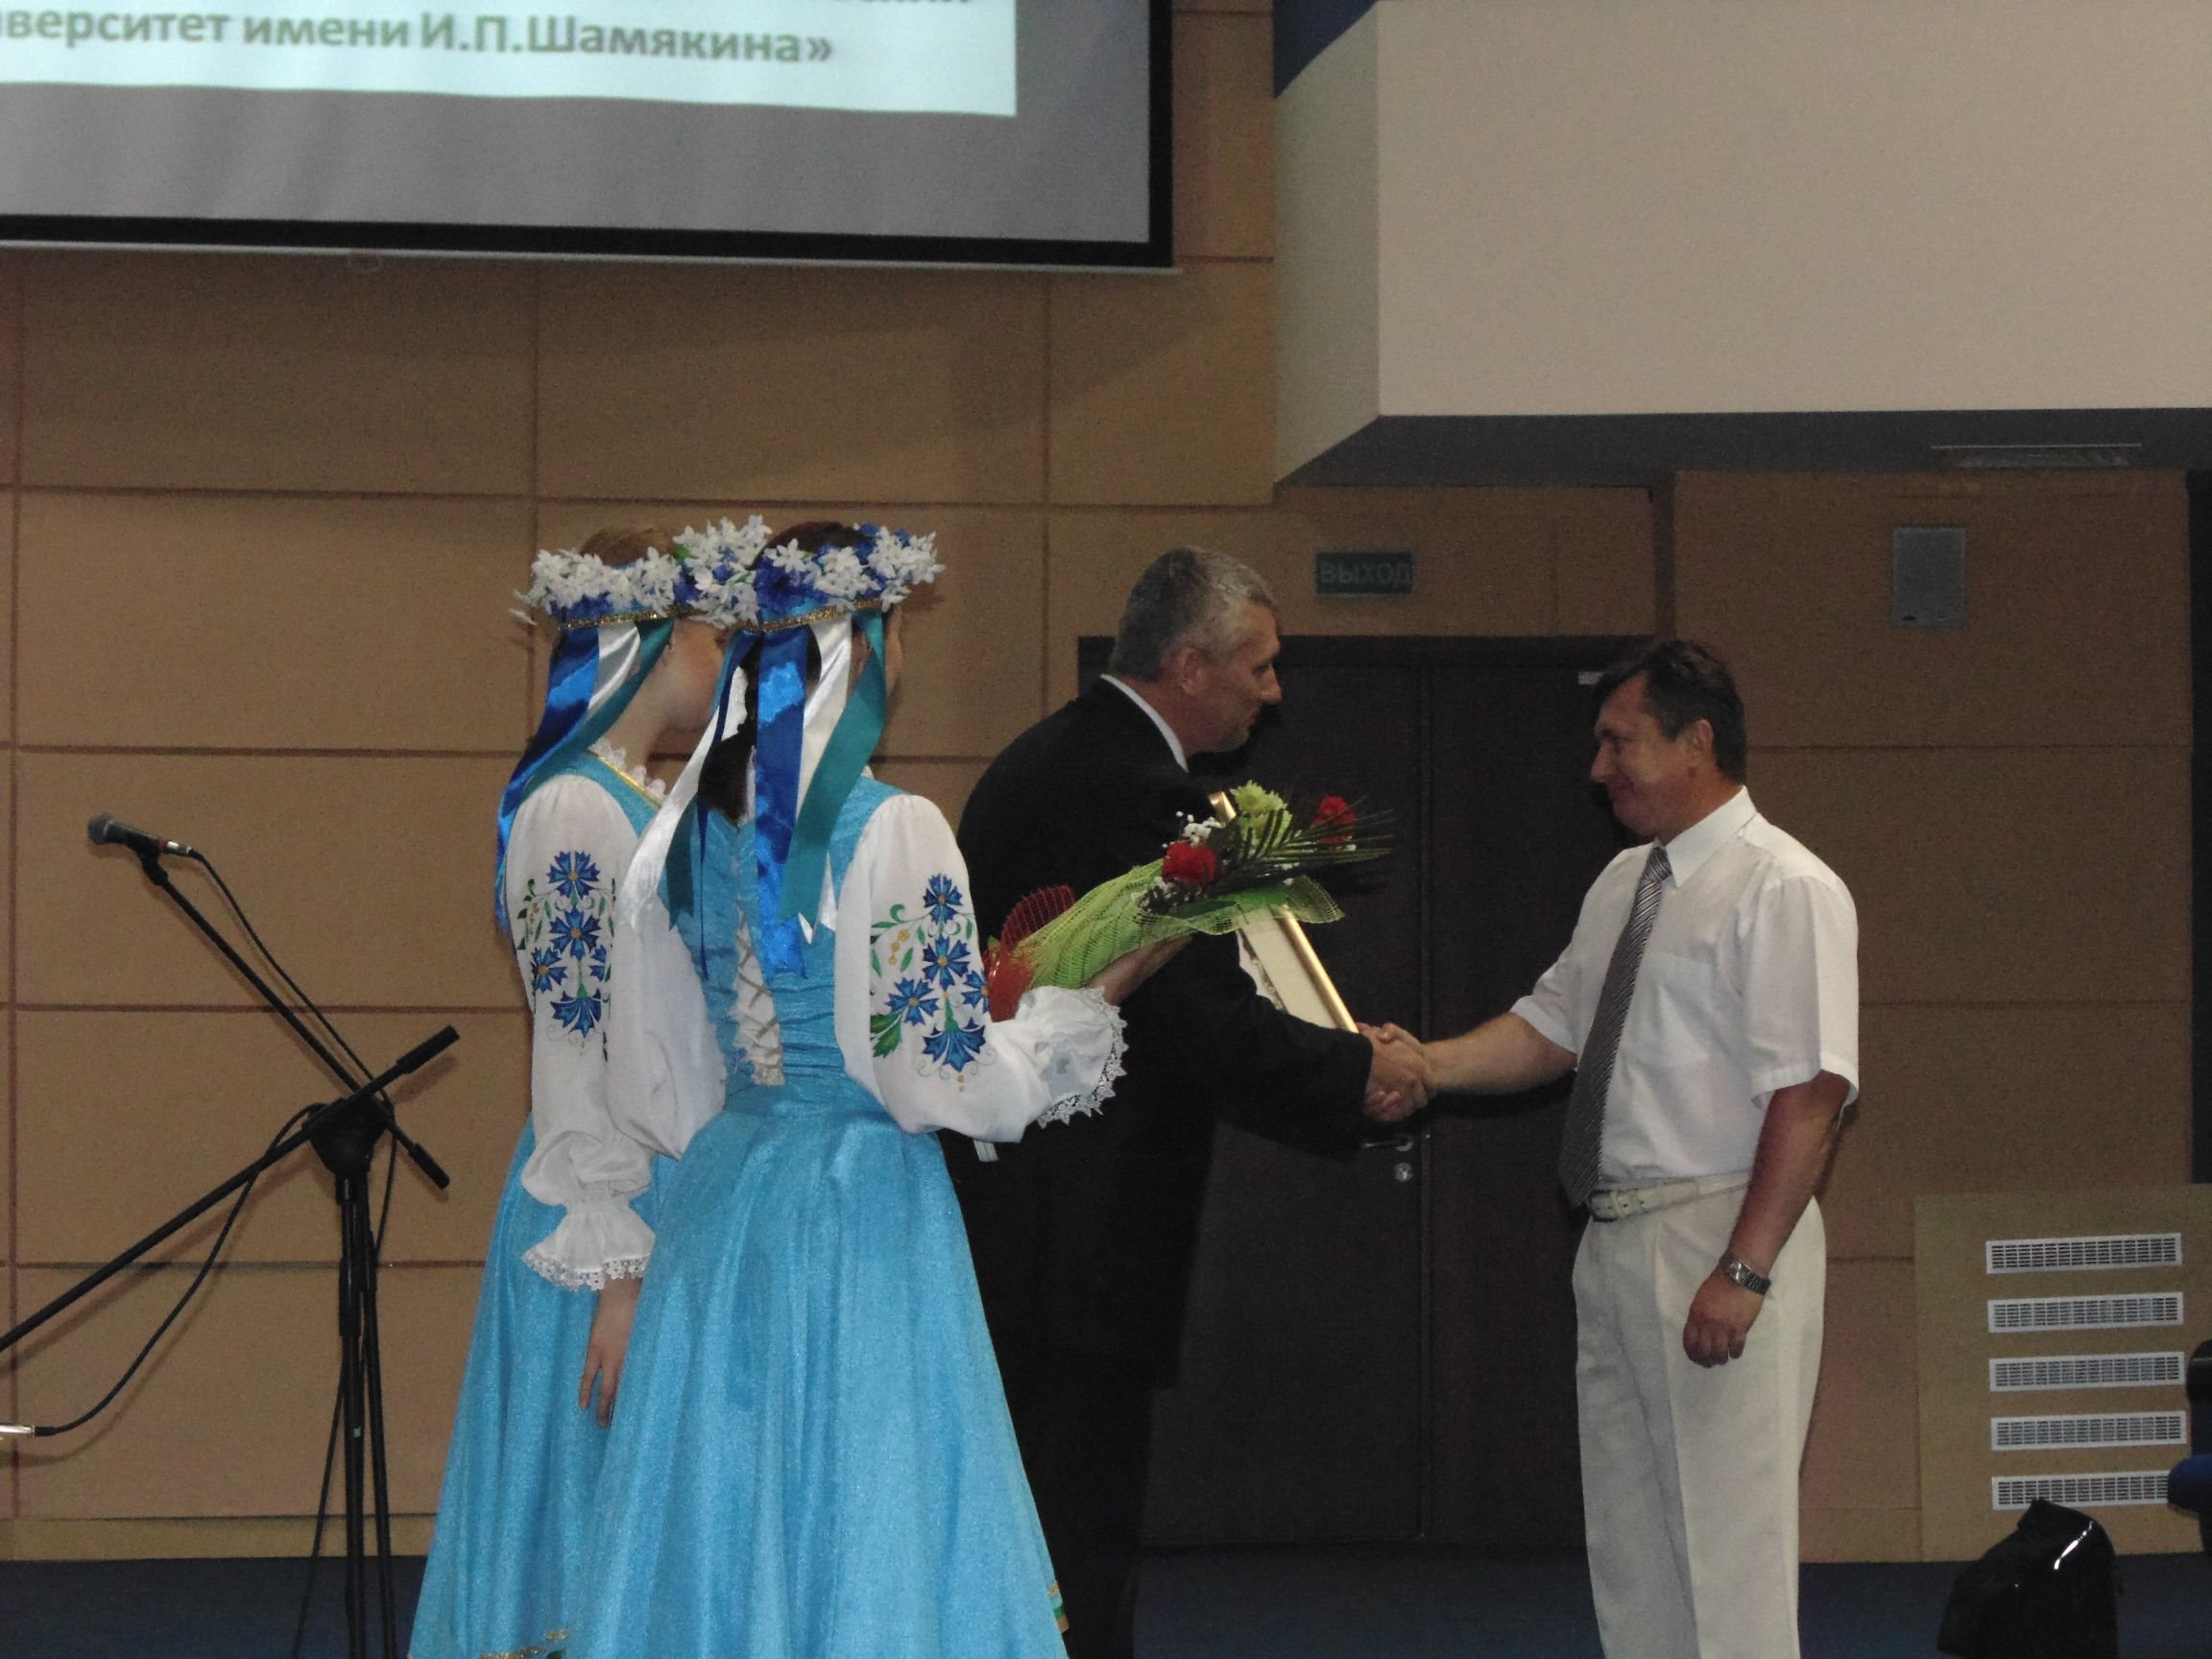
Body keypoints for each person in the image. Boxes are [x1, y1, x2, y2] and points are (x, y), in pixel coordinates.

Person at [565, 521, 1179, 1658]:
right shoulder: (894, 829)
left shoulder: (678, 837)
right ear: (864, 649)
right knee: (865, 1498)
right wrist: (1080, 1012)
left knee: (738, 1511)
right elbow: (936, 1078)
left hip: (726, 1199)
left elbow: (657, 1070)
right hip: (854, 1213)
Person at [948, 545, 1431, 1658]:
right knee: (1075, 1534)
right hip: (1083, 1236)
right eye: (1259, 666)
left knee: (1022, 1526)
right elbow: (1195, 1018)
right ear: (1188, 666)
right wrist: (1355, 1073)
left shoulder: (1038, 760)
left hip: (1013, 1219)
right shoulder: (1142, 794)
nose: (1274, 691)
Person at [1409, 638, 1858, 1659]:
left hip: (1720, 1230)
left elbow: (1811, 1096)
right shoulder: (1624, 883)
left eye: (1620, 743)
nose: (1598, 769)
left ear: (1697, 742)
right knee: (1633, 1554)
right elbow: (1552, 1029)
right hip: (1615, 1239)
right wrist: (1426, 1066)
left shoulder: (1784, 887)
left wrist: (1744, 1270)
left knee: (1728, 1557)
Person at [410, 528, 733, 1659]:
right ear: (652, 643)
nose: (724, 656)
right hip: (598, 1220)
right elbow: (576, 1040)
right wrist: (616, 1272)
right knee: (580, 1525)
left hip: (654, 1200)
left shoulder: (632, 800)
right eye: (710, 634)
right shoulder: (573, 811)